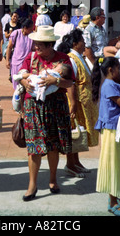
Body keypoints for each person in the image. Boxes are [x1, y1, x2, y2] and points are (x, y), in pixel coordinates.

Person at [17, 25, 76, 200]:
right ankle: (32, 185)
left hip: (55, 106)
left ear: (50, 45)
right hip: (32, 105)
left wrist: (55, 80)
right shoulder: (31, 57)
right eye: (36, 44)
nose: (36, 47)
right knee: (33, 146)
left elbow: (70, 83)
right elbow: (19, 75)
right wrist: (24, 83)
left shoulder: (63, 59)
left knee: (53, 144)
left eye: (40, 45)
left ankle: (52, 179)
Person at [92, 56, 120, 216]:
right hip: (112, 131)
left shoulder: (111, 84)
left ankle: (117, 198)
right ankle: (112, 201)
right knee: (114, 163)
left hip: (118, 128)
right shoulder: (110, 85)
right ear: (111, 70)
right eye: (119, 68)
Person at [59, 29, 99, 177]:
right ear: (75, 44)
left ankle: (76, 162)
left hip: (84, 104)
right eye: (82, 41)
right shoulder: (71, 59)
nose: (85, 43)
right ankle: (70, 164)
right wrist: (73, 104)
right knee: (74, 134)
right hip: (77, 104)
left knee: (79, 134)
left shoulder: (80, 57)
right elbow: (70, 83)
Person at [5, 19, 34, 89]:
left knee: (26, 84)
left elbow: (33, 49)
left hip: (27, 64)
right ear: (25, 28)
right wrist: (7, 60)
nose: (32, 30)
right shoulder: (16, 33)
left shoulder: (32, 35)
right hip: (16, 63)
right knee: (16, 85)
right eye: (31, 28)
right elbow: (9, 47)